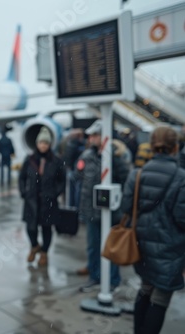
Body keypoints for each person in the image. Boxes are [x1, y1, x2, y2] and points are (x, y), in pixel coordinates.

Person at [120, 126, 185, 334]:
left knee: (145, 289)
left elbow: (126, 208)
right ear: (175, 147)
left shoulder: (137, 174)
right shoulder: (181, 177)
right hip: (170, 248)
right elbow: (182, 218)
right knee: (160, 298)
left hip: (142, 244)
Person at [73, 119, 129, 292]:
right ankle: (95, 277)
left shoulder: (115, 156)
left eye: (95, 135)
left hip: (110, 212)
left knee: (110, 247)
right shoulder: (86, 155)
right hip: (91, 210)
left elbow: (126, 179)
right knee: (93, 246)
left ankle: (113, 280)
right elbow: (77, 176)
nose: (91, 138)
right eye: (90, 135)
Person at [19, 127, 65, 266]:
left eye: (45, 143)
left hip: (48, 200)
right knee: (30, 228)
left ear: (49, 145)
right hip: (31, 199)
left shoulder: (56, 161)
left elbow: (62, 180)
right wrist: (24, 192)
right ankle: (34, 246)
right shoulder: (30, 159)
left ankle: (44, 252)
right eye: (40, 143)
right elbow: (22, 177)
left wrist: (55, 193)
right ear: (37, 144)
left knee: (46, 228)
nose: (43, 146)